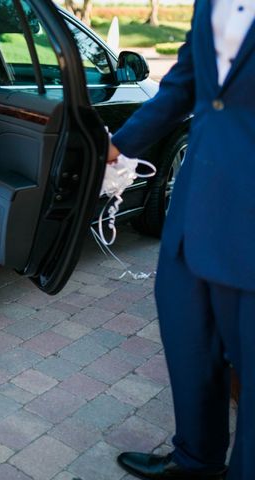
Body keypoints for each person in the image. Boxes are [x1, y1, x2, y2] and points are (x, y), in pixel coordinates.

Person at [108, 0, 255, 479]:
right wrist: (119, 143)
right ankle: (196, 461)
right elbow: (188, 79)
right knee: (187, 333)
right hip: (195, 204)